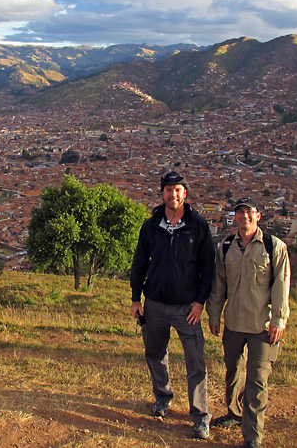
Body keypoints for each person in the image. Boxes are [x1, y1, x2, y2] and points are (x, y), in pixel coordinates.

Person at [130, 171, 215, 440]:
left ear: (185, 193)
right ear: (163, 193)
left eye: (177, 190)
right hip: (154, 303)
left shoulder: (198, 225)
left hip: (186, 308)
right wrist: (136, 298)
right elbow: (139, 262)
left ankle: (200, 417)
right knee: (154, 353)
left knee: (195, 361)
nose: (173, 194)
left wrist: (199, 302)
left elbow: (208, 268)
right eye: (168, 189)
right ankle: (163, 397)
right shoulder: (151, 225)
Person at [206, 197, 291, 448]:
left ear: (258, 216)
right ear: (235, 217)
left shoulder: (273, 246)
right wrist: (214, 314)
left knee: (257, 379)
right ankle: (234, 413)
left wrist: (279, 319)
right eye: (240, 212)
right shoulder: (226, 247)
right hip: (233, 322)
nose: (244, 217)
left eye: (249, 212)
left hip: (262, 326)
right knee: (233, 370)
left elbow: (281, 285)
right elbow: (218, 284)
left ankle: (253, 436)